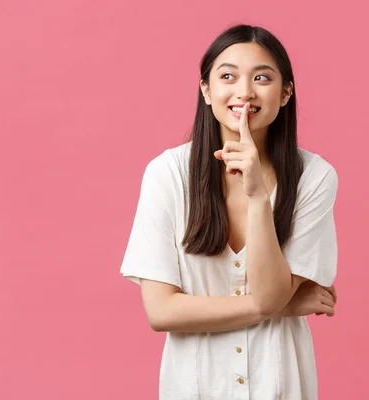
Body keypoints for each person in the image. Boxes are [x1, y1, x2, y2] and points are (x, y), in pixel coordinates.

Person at [120, 23, 339, 400]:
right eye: (227, 77)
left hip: (280, 382)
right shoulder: (167, 174)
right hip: (195, 384)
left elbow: (270, 296)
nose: (245, 92)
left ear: (286, 93)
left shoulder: (314, 177)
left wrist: (257, 198)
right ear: (206, 90)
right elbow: (161, 312)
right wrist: (278, 307)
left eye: (262, 78)